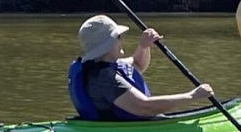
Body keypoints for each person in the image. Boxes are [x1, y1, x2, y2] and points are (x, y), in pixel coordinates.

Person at [69, 14, 215, 121]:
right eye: (118, 37)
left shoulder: (106, 65)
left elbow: (137, 64)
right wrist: (192, 96)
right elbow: (144, 107)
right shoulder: (105, 78)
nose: (123, 39)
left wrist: (144, 46)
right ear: (106, 46)